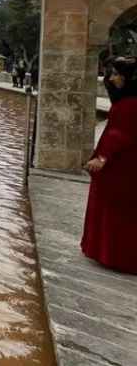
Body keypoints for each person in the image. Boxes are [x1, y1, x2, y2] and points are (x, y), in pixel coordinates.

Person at [81, 59, 137, 274]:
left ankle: (116, 256)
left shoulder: (131, 103)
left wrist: (102, 158)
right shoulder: (128, 100)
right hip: (124, 163)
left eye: (116, 74)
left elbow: (122, 134)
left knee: (117, 211)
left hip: (123, 166)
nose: (112, 78)